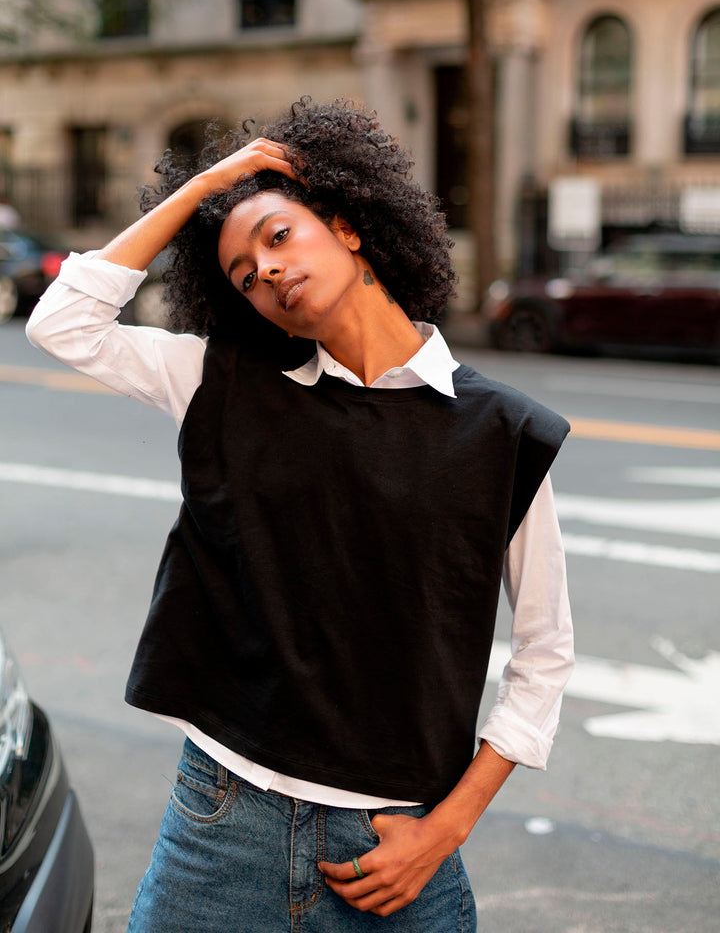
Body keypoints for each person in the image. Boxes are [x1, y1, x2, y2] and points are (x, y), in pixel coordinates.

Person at [27, 97, 573, 932]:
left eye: (278, 236)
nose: (266, 271)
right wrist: (208, 187)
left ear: (348, 228)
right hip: (220, 826)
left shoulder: (499, 432)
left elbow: (545, 654)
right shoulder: (220, 383)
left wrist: (444, 832)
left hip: (392, 850)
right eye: (242, 275)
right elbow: (63, 321)